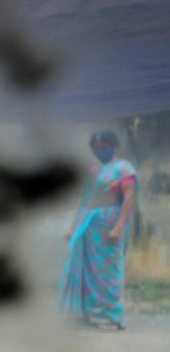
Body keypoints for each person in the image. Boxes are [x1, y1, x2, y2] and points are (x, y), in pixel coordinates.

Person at [60, 131, 139, 330]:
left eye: (103, 147)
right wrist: (73, 227)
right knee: (86, 268)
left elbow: (129, 199)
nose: (99, 150)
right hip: (89, 224)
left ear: (114, 146)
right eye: (95, 148)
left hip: (110, 225)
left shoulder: (124, 168)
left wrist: (119, 228)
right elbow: (85, 201)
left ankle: (113, 317)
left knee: (109, 270)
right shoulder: (94, 170)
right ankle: (86, 313)